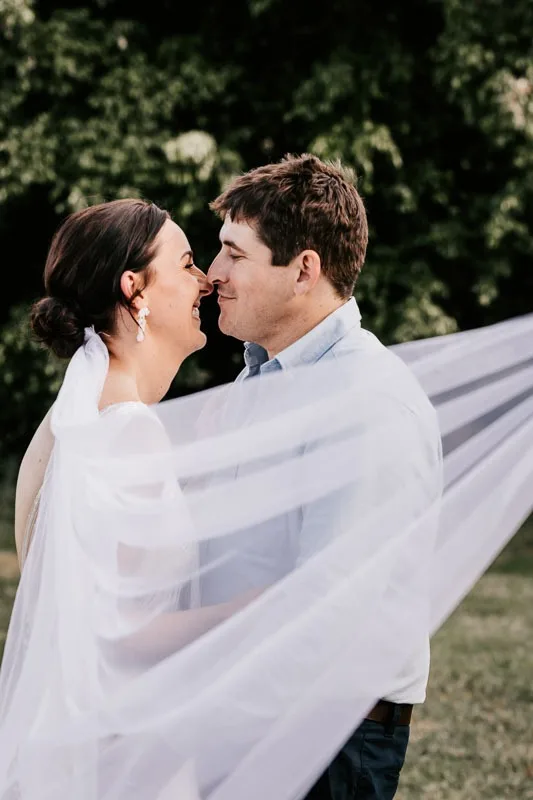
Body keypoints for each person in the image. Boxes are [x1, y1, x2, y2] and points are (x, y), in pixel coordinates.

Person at [206, 153, 443, 800]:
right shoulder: (260, 374)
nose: (212, 272)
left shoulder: (366, 403)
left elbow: (330, 614)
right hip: (248, 717)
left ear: (303, 268)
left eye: (234, 254)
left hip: (323, 740)